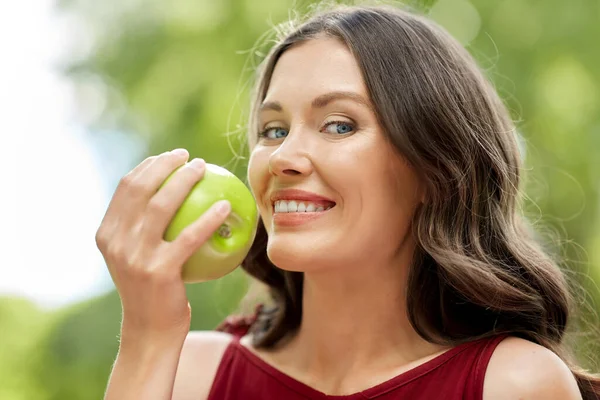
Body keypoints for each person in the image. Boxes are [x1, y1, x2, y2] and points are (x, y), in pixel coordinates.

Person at [95, 3, 600, 399]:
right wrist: (146, 336)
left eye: (339, 124)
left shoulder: (512, 385)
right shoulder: (189, 375)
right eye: (273, 129)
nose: (283, 157)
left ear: (432, 168)